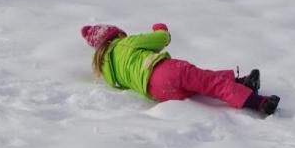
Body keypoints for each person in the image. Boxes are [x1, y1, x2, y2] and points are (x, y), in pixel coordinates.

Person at [81, 23, 281, 115]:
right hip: (164, 70)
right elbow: (162, 39)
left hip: (157, 92)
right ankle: (258, 102)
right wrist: (160, 28)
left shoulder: (107, 72)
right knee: (209, 83)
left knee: (201, 83)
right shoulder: (124, 44)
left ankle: (242, 83)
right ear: (115, 36)